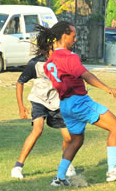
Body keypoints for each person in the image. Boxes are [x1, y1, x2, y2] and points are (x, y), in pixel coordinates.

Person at [42, 21, 116, 187]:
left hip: (65, 105)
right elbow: (86, 75)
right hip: (79, 102)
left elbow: (66, 79)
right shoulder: (69, 57)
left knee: (76, 140)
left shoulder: (50, 61)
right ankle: (113, 169)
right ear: (64, 36)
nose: (75, 39)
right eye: (73, 36)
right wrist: (107, 88)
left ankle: (59, 177)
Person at [11, 30, 77, 180]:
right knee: (38, 129)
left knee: (69, 137)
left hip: (57, 102)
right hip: (39, 100)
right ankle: (18, 167)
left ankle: (66, 164)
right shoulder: (35, 63)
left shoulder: (65, 60)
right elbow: (20, 82)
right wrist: (21, 107)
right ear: (49, 46)